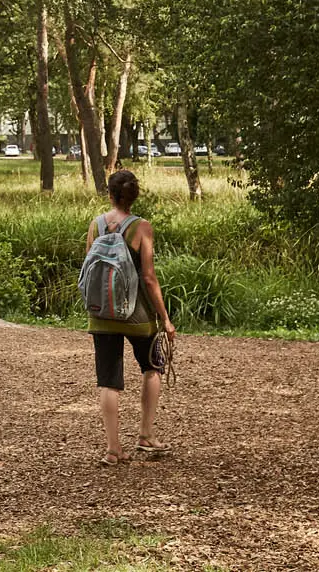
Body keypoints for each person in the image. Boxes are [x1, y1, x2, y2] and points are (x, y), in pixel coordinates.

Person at [88, 168, 175, 465]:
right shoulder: (141, 227)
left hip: (101, 314)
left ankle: (113, 450)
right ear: (134, 197)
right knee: (153, 367)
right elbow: (148, 278)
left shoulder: (96, 225)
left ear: (110, 195)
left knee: (109, 381)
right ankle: (145, 434)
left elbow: (88, 270)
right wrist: (164, 317)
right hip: (136, 314)